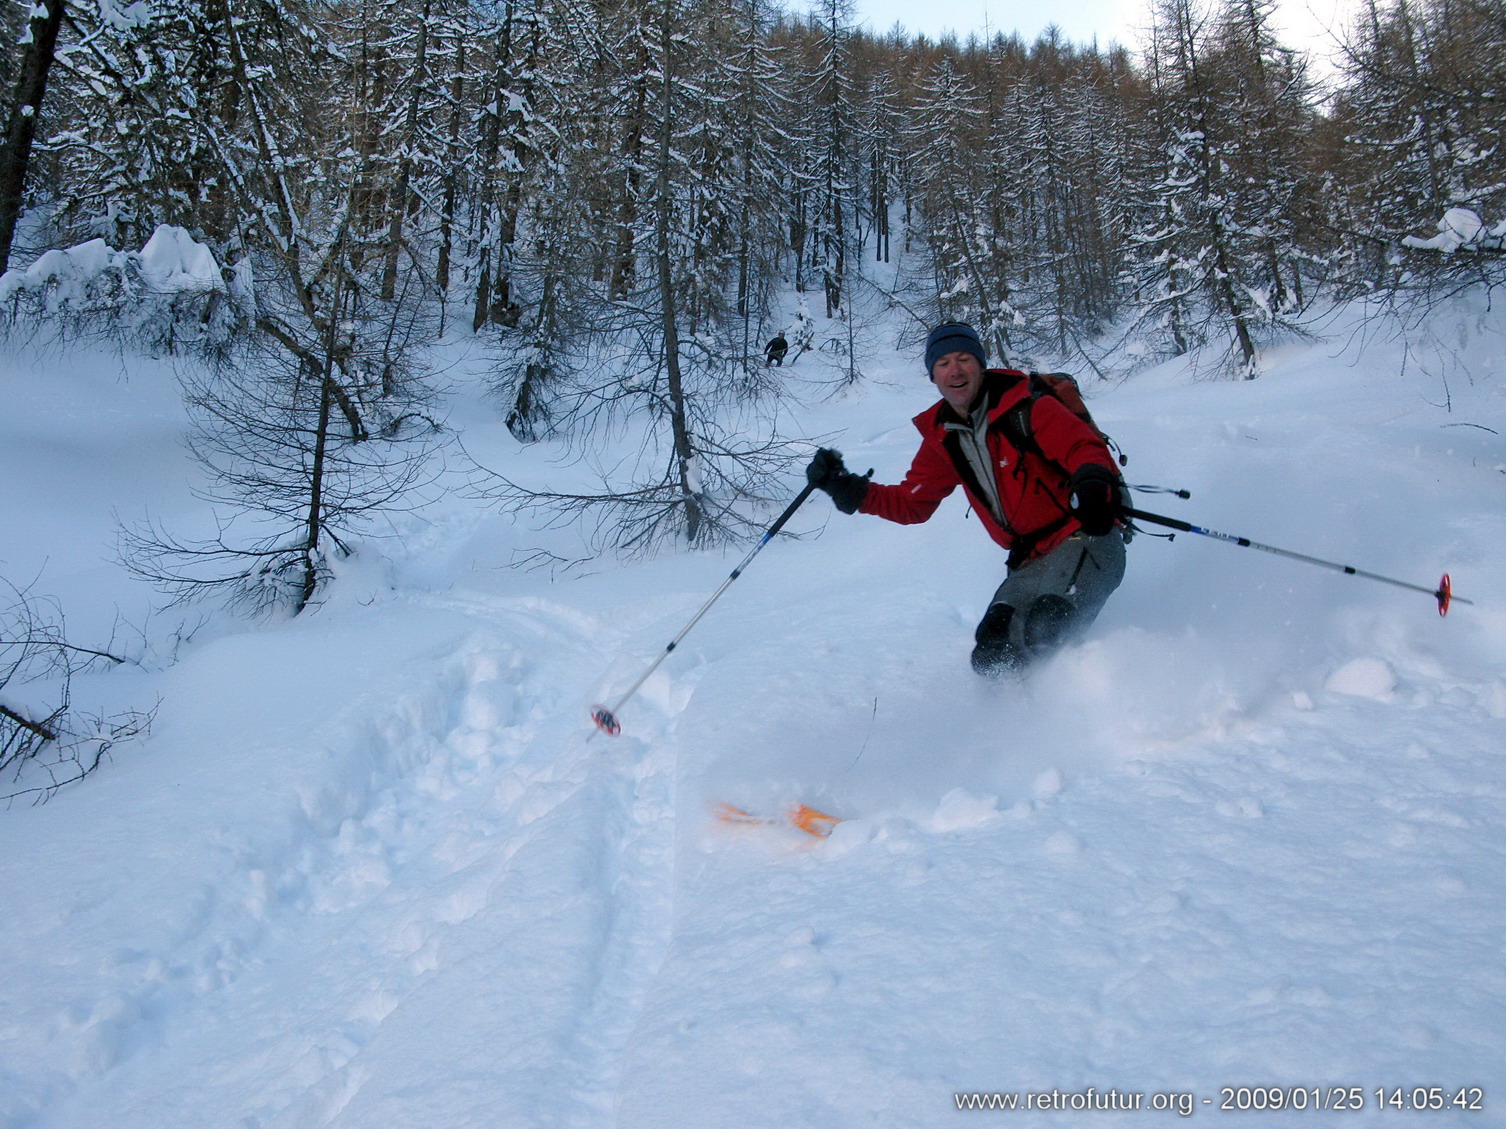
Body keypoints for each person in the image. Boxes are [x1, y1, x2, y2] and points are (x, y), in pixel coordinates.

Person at [806, 322, 1127, 676]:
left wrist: (1094, 482)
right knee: (992, 652)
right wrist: (847, 488)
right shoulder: (944, 437)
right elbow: (912, 503)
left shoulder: (1027, 406)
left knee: (1045, 629)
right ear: (933, 376)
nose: (954, 370)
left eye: (963, 359)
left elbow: (1083, 449)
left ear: (981, 365)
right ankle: (1017, 723)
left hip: (1086, 537)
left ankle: (1098, 706)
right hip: (1030, 560)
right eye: (943, 363)